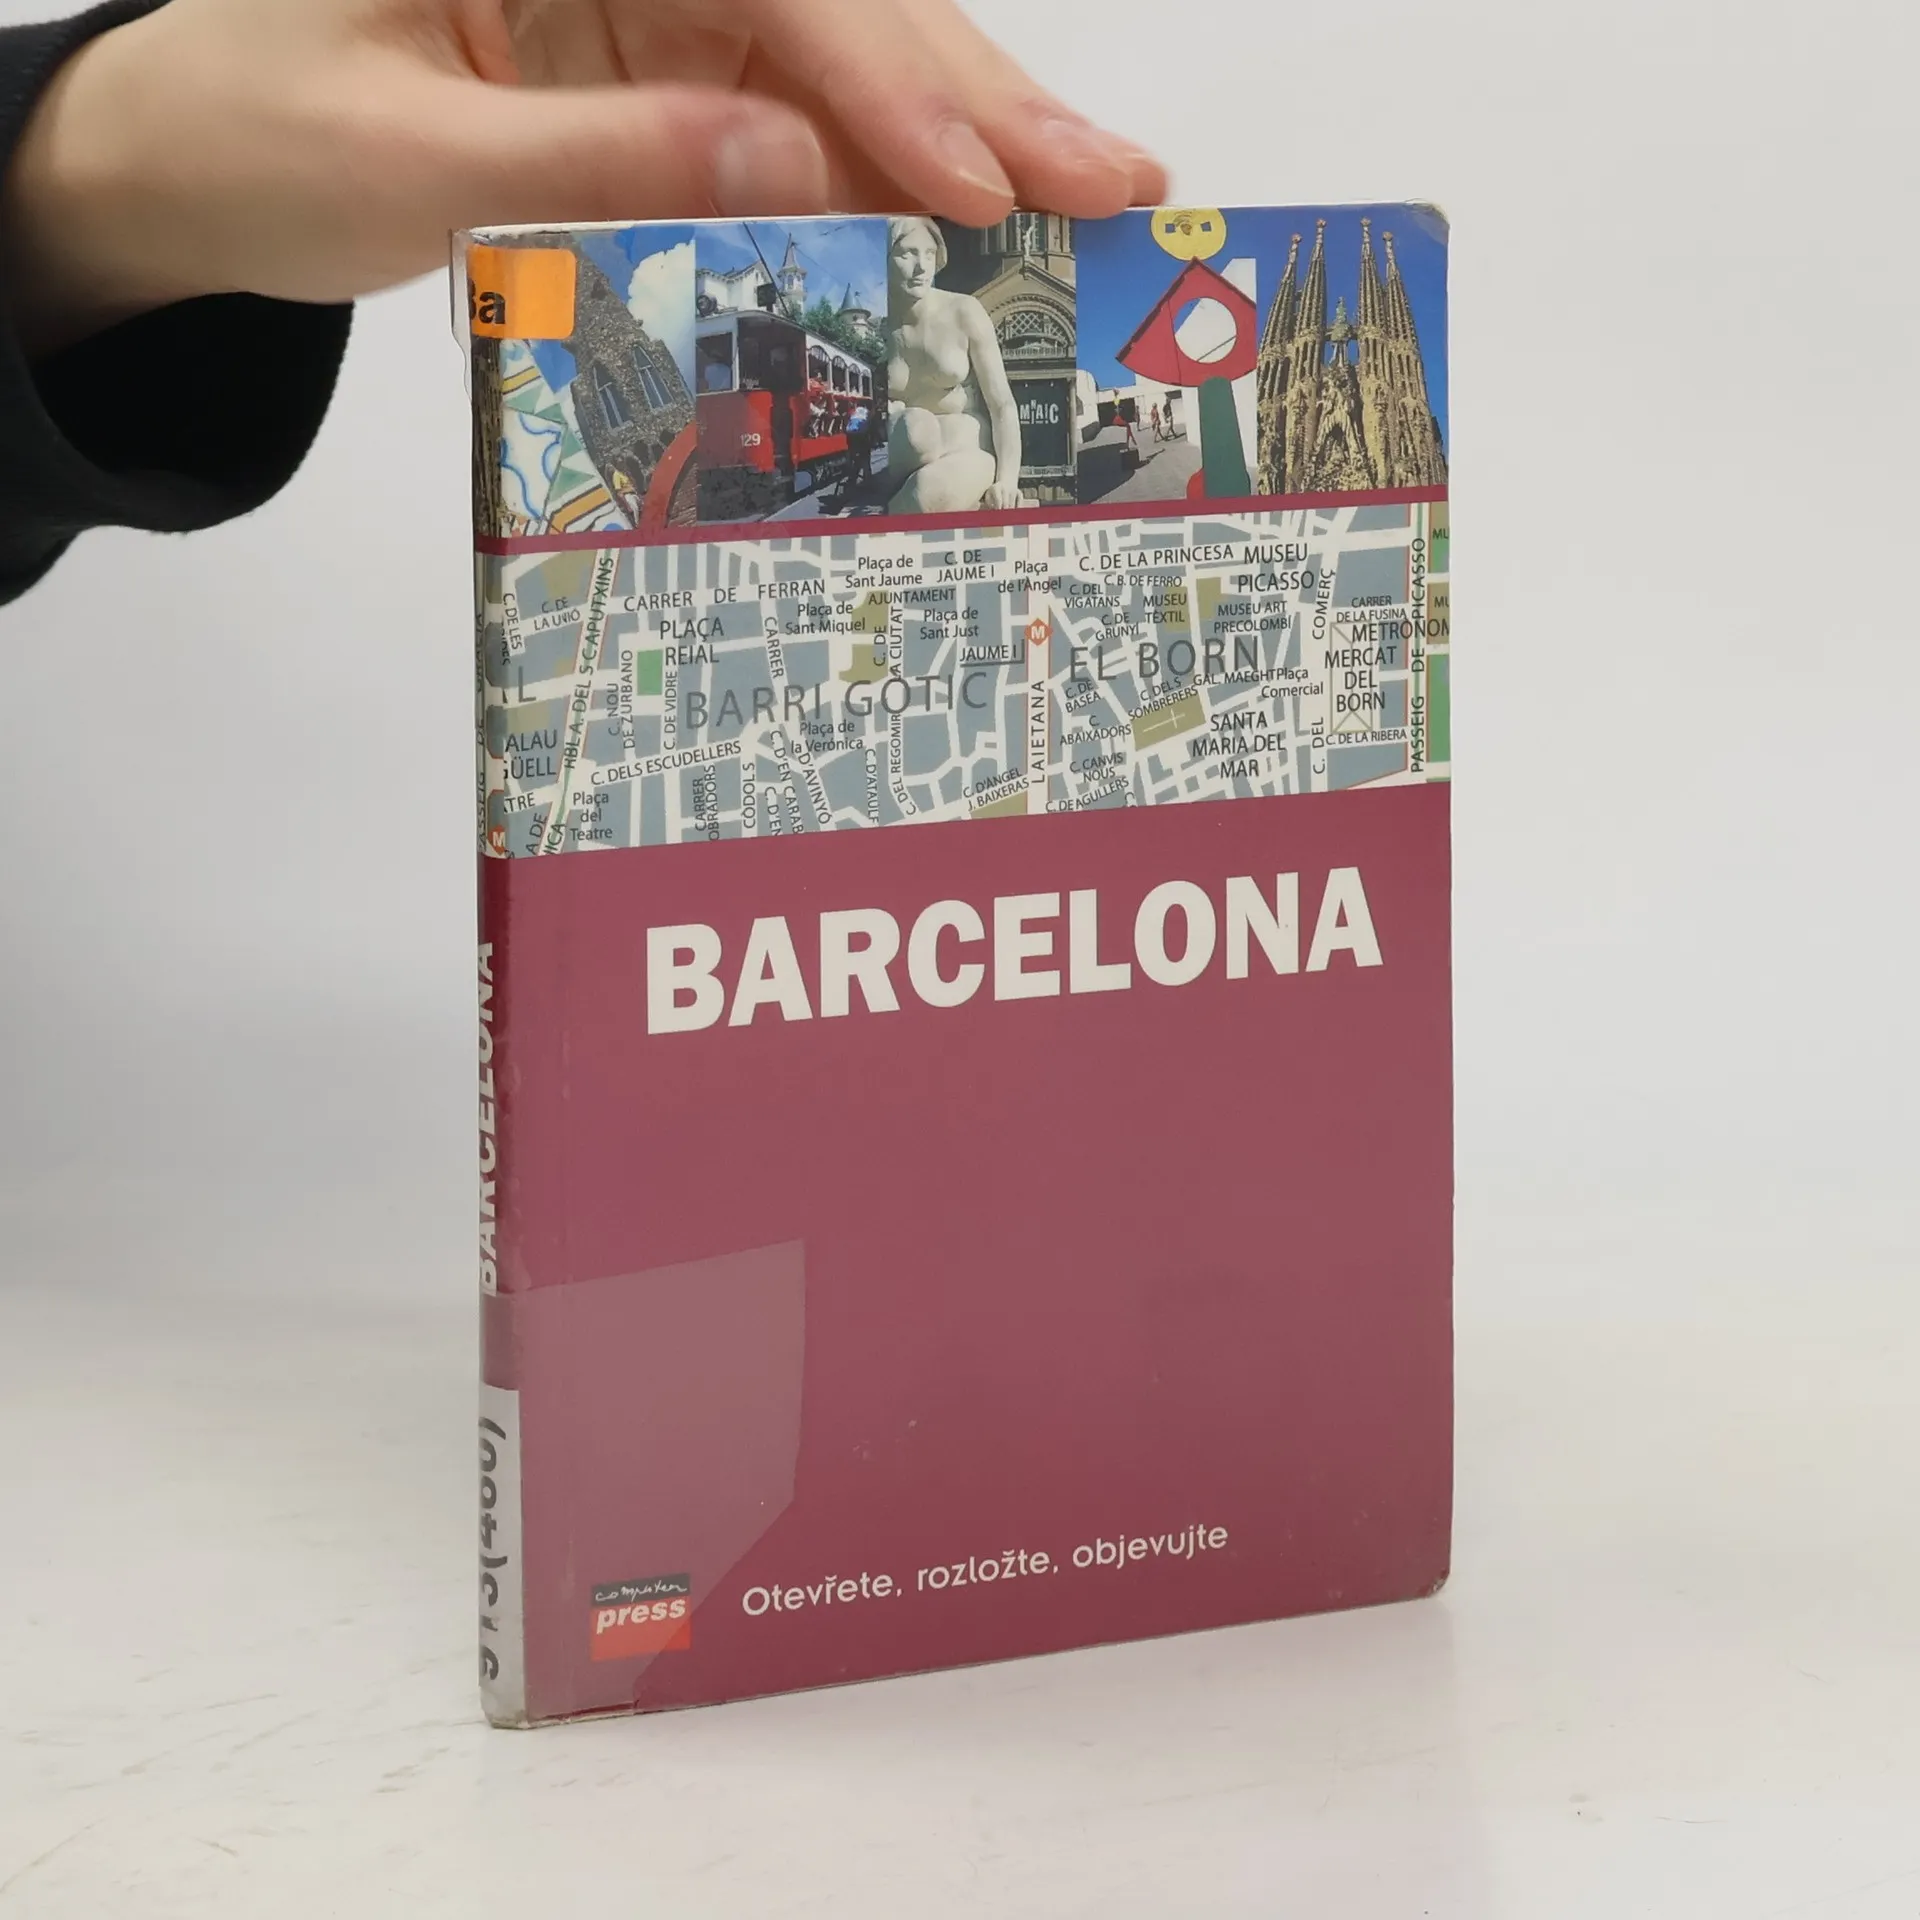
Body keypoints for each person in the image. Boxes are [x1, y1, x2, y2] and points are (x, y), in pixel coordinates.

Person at [0, 0, 1166, 605]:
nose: (910, 257)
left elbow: (999, 411)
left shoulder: (957, 324)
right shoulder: (844, 336)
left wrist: (75, 191)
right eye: (900, 249)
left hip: (948, 476)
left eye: (918, 250)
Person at [883, 212, 1021, 515]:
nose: (921, 266)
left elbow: (1002, 405)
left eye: (929, 254)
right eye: (907, 254)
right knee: (915, 430)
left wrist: (1007, 479)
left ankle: (896, 512)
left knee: (925, 493)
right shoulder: (883, 327)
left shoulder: (964, 311)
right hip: (906, 455)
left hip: (965, 450)